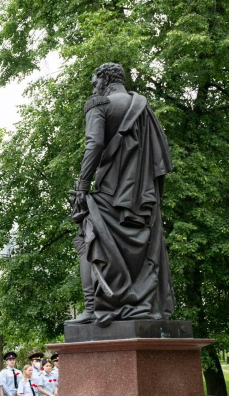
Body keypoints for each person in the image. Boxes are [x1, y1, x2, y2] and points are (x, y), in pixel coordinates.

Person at [69, 62, 174, 326]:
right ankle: (142, 303)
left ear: (104, 80)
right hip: (141, 196)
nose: (94, 86)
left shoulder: (99, 104)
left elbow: (94, 144)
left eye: (95, 81)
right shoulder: (144, 108)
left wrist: (82, 185)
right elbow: (158, 156)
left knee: (87, 240)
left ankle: (93, 308)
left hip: (111, 190)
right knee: (138, 249)